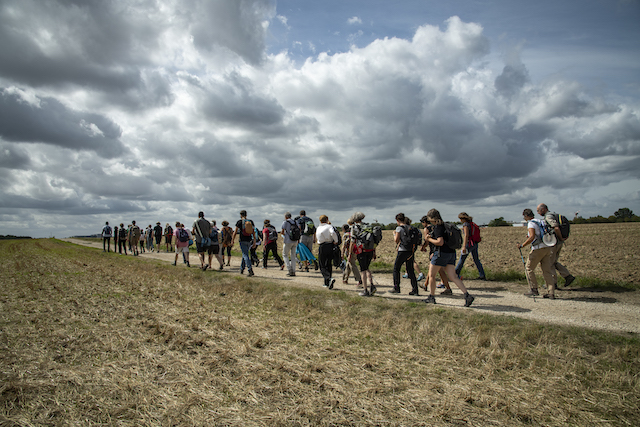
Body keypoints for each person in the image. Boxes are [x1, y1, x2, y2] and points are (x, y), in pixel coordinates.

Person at [421, 209, 475, 307]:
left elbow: (440, 242)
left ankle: (431, 296)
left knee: (432, 275)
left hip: (441, 254)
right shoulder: (447, 225)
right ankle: (467, 295)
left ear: (432, 218)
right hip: (451, 253)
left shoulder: (438, 227)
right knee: (453, 276)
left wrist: (429, 239)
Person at [518, 208, 557, 299]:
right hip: (547, 247)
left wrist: (522, 245)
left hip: (537, 248)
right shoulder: (541, 221)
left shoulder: (531, 223)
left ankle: (534, 289)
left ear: (526, 216)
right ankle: (551, 292)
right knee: (547, 271)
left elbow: (531, 237)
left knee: (529, 268)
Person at [537, 203, 576, 287]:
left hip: (554, 242)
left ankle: (552, 283)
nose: (538, 213)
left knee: (550, 263)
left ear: (543, 209)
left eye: (538, 211)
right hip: (559, 243)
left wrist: (560, 237)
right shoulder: (555, 214)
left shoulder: (548, 216)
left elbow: (556, 227)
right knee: (554, 262)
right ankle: (567, 276)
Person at [420, 220, 453, 295]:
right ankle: (425, 284)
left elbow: (427, 240)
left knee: (439, 270)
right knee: (433, 268)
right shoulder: (434, 227)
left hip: (434, 250)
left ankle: (447, 288)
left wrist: (423, 247)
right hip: (440, 250)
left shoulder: (426, 229)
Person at [350, 212, 377, 297]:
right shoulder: (368, 226)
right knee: (367, 268)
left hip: (361, 250)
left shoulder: (354, 227)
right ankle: (372, 286)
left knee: (363, 270)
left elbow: (352, 241)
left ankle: (365, 290)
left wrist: (350, 253)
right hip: (370, 250)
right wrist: (374, 252)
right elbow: (373, 241)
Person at [392, 213, 419, 295]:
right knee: (410, 270)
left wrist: (394, 234)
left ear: (397, 220)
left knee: (396, 269)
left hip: (402, 251)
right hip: (410, 251)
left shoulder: (399, 228)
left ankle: (396, 287)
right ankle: (415, 289)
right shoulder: (411, 228)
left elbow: (396, 240)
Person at [455, 212, 486, 280]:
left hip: (468, 244)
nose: (460, 220)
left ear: (463, 219)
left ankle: (455, 274)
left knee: (462, 259)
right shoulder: (472, 224)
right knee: (476, 259)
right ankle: (482, 275)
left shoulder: (465, 225)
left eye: (460, 219)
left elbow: (466, 235)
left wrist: (464, 246)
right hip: (474, 243)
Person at [316, 215, 340, 289]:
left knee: (322, 264)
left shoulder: (319, 227)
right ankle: (327, 282)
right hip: (330, 245)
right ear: (327, 219)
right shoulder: (329, 226)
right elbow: (333, 233)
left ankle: (328, 278)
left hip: (322, 245)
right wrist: (336, 241)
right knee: (328, 263)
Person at [232, 210, 256, 277]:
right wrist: (254, 240)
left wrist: (232, 240)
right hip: (249, 240)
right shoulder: (251, 221)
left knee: (245, 255)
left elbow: (235, 232)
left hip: (242, 240)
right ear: (246, 215)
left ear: (241, 215)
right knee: (244, 254)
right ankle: (241, 269)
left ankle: (250, 269)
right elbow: (253, 231)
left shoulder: (239, 222)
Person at [281, 212, 299, 277]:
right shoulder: (295, 222)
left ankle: (289, 269)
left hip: (288, 241)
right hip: (295, 241)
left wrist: (284, 235)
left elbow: (282, 231)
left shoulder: (285, 222)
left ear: (286, 217)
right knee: (293, 256)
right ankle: (294, 270)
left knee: (285, 255)